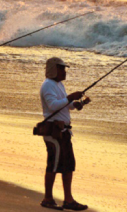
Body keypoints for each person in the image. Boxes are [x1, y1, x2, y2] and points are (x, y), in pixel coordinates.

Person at [39, 57, 89, 211]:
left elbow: (63, 105)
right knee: (53, 165)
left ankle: (68, 200)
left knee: (68, 166)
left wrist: (75, 104)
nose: (64, 72)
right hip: (54, 132)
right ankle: (47, 198)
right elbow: (53, 105)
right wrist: (70, 98)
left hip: (64, 132)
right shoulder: (47, 85)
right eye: (61, 68)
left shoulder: (58, 85)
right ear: (54, 69)